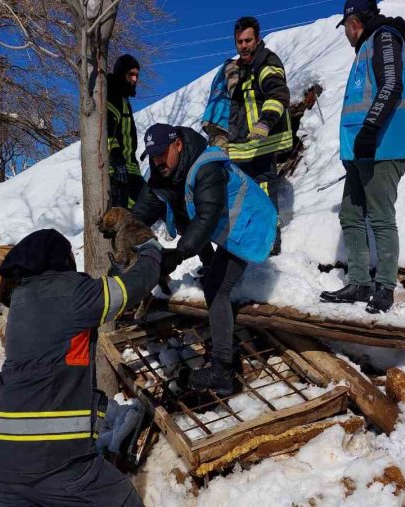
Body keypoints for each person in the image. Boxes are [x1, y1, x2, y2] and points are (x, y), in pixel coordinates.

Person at [0, 229, 161, 506]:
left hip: (1, 460)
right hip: (56, 462)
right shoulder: (73, 293)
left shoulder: (21, 300)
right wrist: (151, 249)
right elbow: (136, 285)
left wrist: (112, 276)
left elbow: (66, 328)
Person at [131, 124, 277, 396]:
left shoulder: (206, 166)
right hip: (226, 227)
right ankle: (212, 273)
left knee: (216, 289)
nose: (158, 161)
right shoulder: (166, 171)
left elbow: (207, 217)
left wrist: (179, 254)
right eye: (152, 156)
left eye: (162, 153)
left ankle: (222, 370)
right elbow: (147, 205)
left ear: (178, 145)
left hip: (250, 224)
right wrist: (125, 226)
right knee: (186, 222)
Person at [320, 0, 405, 314]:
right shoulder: (366, 48)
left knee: (381, 217)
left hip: (384, 148)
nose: (346, 34)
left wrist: (371, 129)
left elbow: (392, 85)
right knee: (350, 215)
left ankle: (385, 287)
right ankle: (359, 283)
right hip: (361, 151)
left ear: (353, 23)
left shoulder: (385, 38)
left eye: (345, 28)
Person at [225, 16, 293, 256]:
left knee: (264, 193)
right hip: (242, 146)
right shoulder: (238, 68)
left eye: (248, 40)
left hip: (263, 142)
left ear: (257, 39)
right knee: (242, 196)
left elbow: (278, 93)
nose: (244, 46)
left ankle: (271, 245)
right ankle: (249, 245)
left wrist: (265, 122)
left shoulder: (266, 62)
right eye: (239, 41)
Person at [107, 54, 145, 208]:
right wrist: (116, 159)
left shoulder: (123, 98)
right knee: (124, 215)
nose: (135, 79)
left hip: (130, 168)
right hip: (117, 170)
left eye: (137, 75)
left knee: (147, 207)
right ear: (121, 73)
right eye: (131, 74)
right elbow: (107, 128)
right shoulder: (112, 93)